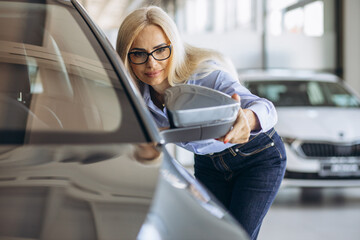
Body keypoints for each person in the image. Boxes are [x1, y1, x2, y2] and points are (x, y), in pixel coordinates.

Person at [116, 6, 286, 240]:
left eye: (160, 50)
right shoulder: (135, 96)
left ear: (173, 47)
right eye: (139, 53)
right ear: (126, 57)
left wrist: (247, 118)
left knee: (236, 235)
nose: (152, 63)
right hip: (208, 164)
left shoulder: (206, 75)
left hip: (256, 156)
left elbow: (266, 108)